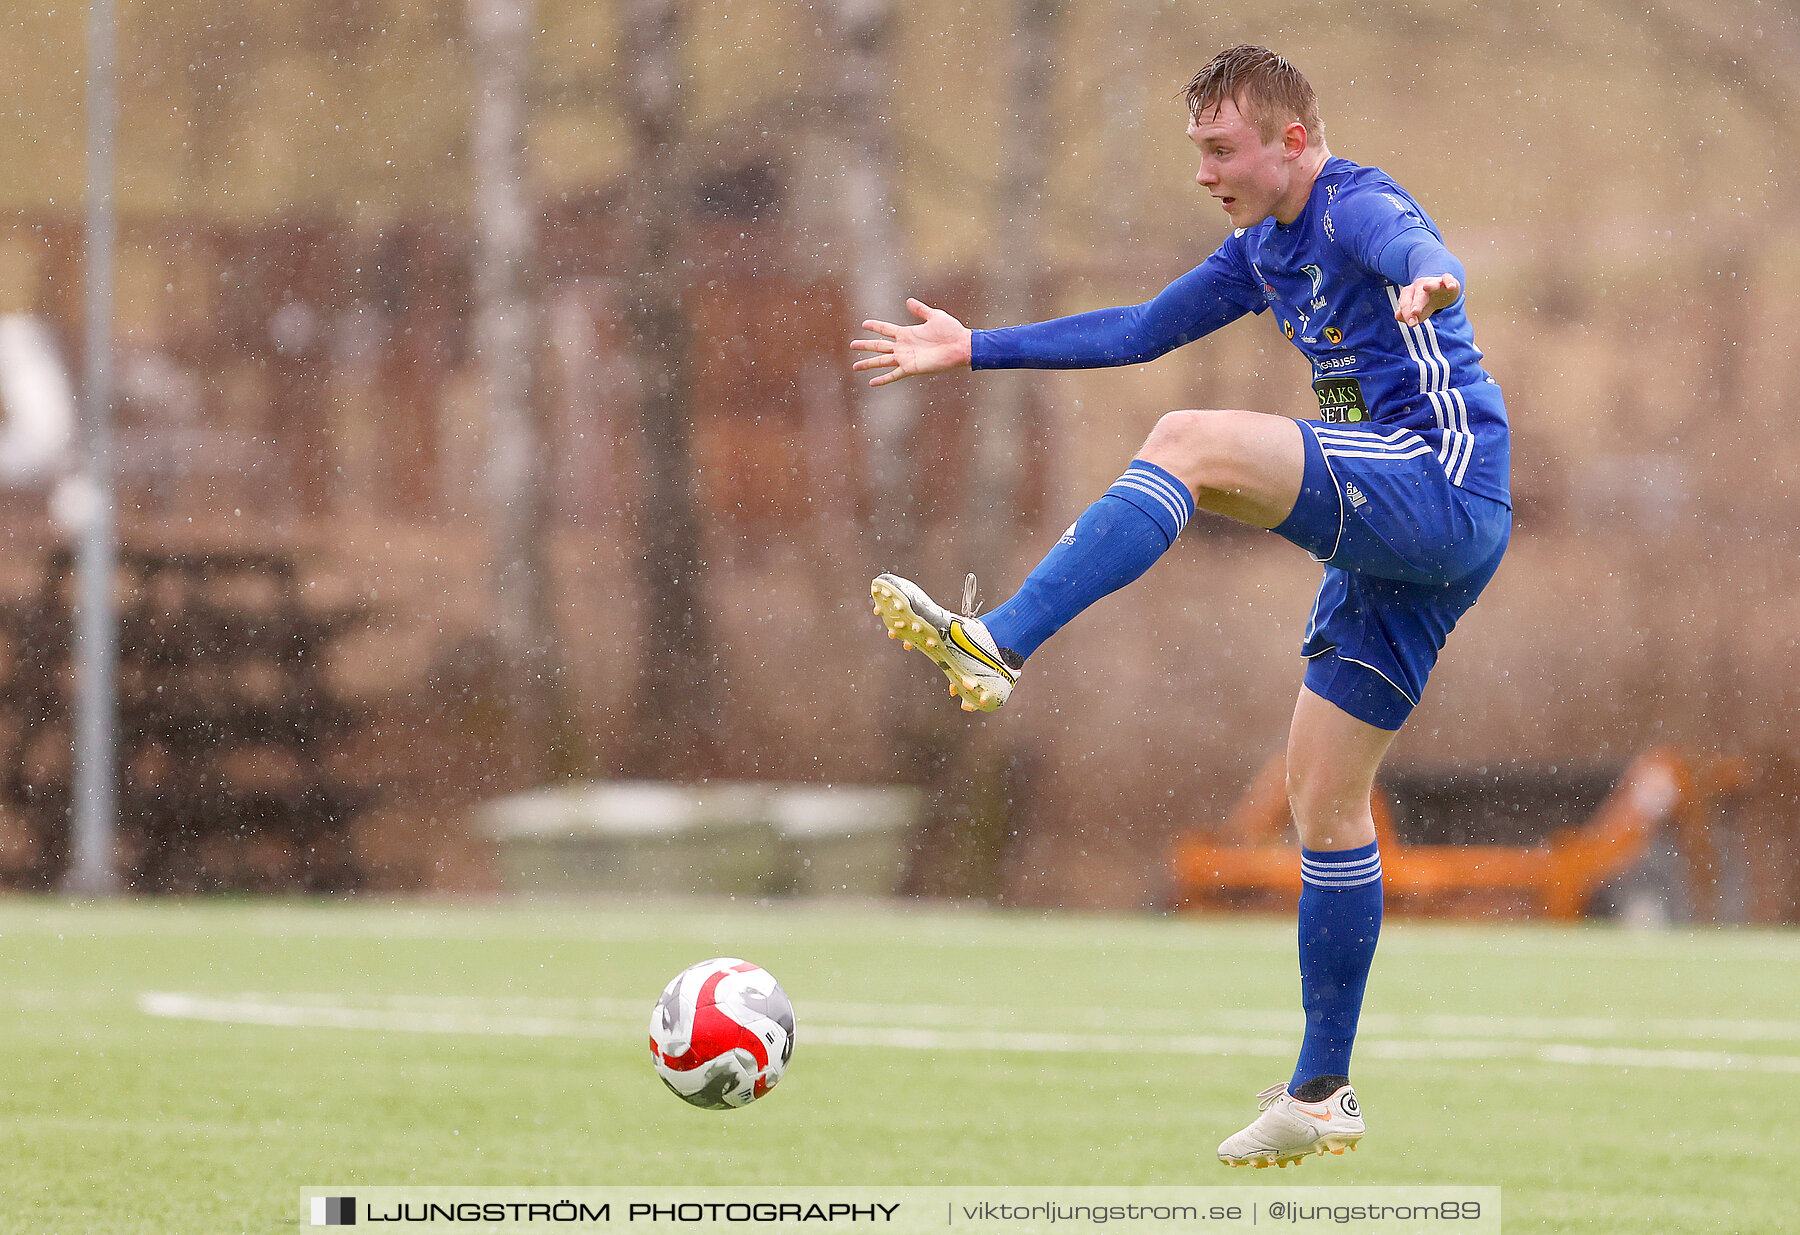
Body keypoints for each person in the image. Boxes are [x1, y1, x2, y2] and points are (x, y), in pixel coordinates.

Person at [850, 45, 1510, 1168]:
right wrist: (976, 350)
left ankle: (999, 639)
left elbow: (1411, 242)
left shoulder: (1355, 207)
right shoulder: (1263, 249)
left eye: (1222, 148)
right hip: (1421, 543)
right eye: (1197, 150)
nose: (1205, 171)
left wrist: (1432, 277)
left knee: (1187, 442)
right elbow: (1141, 328)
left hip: (1437, 480)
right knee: (1324, 801)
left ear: (1292, 142)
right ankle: (1322, 1089)